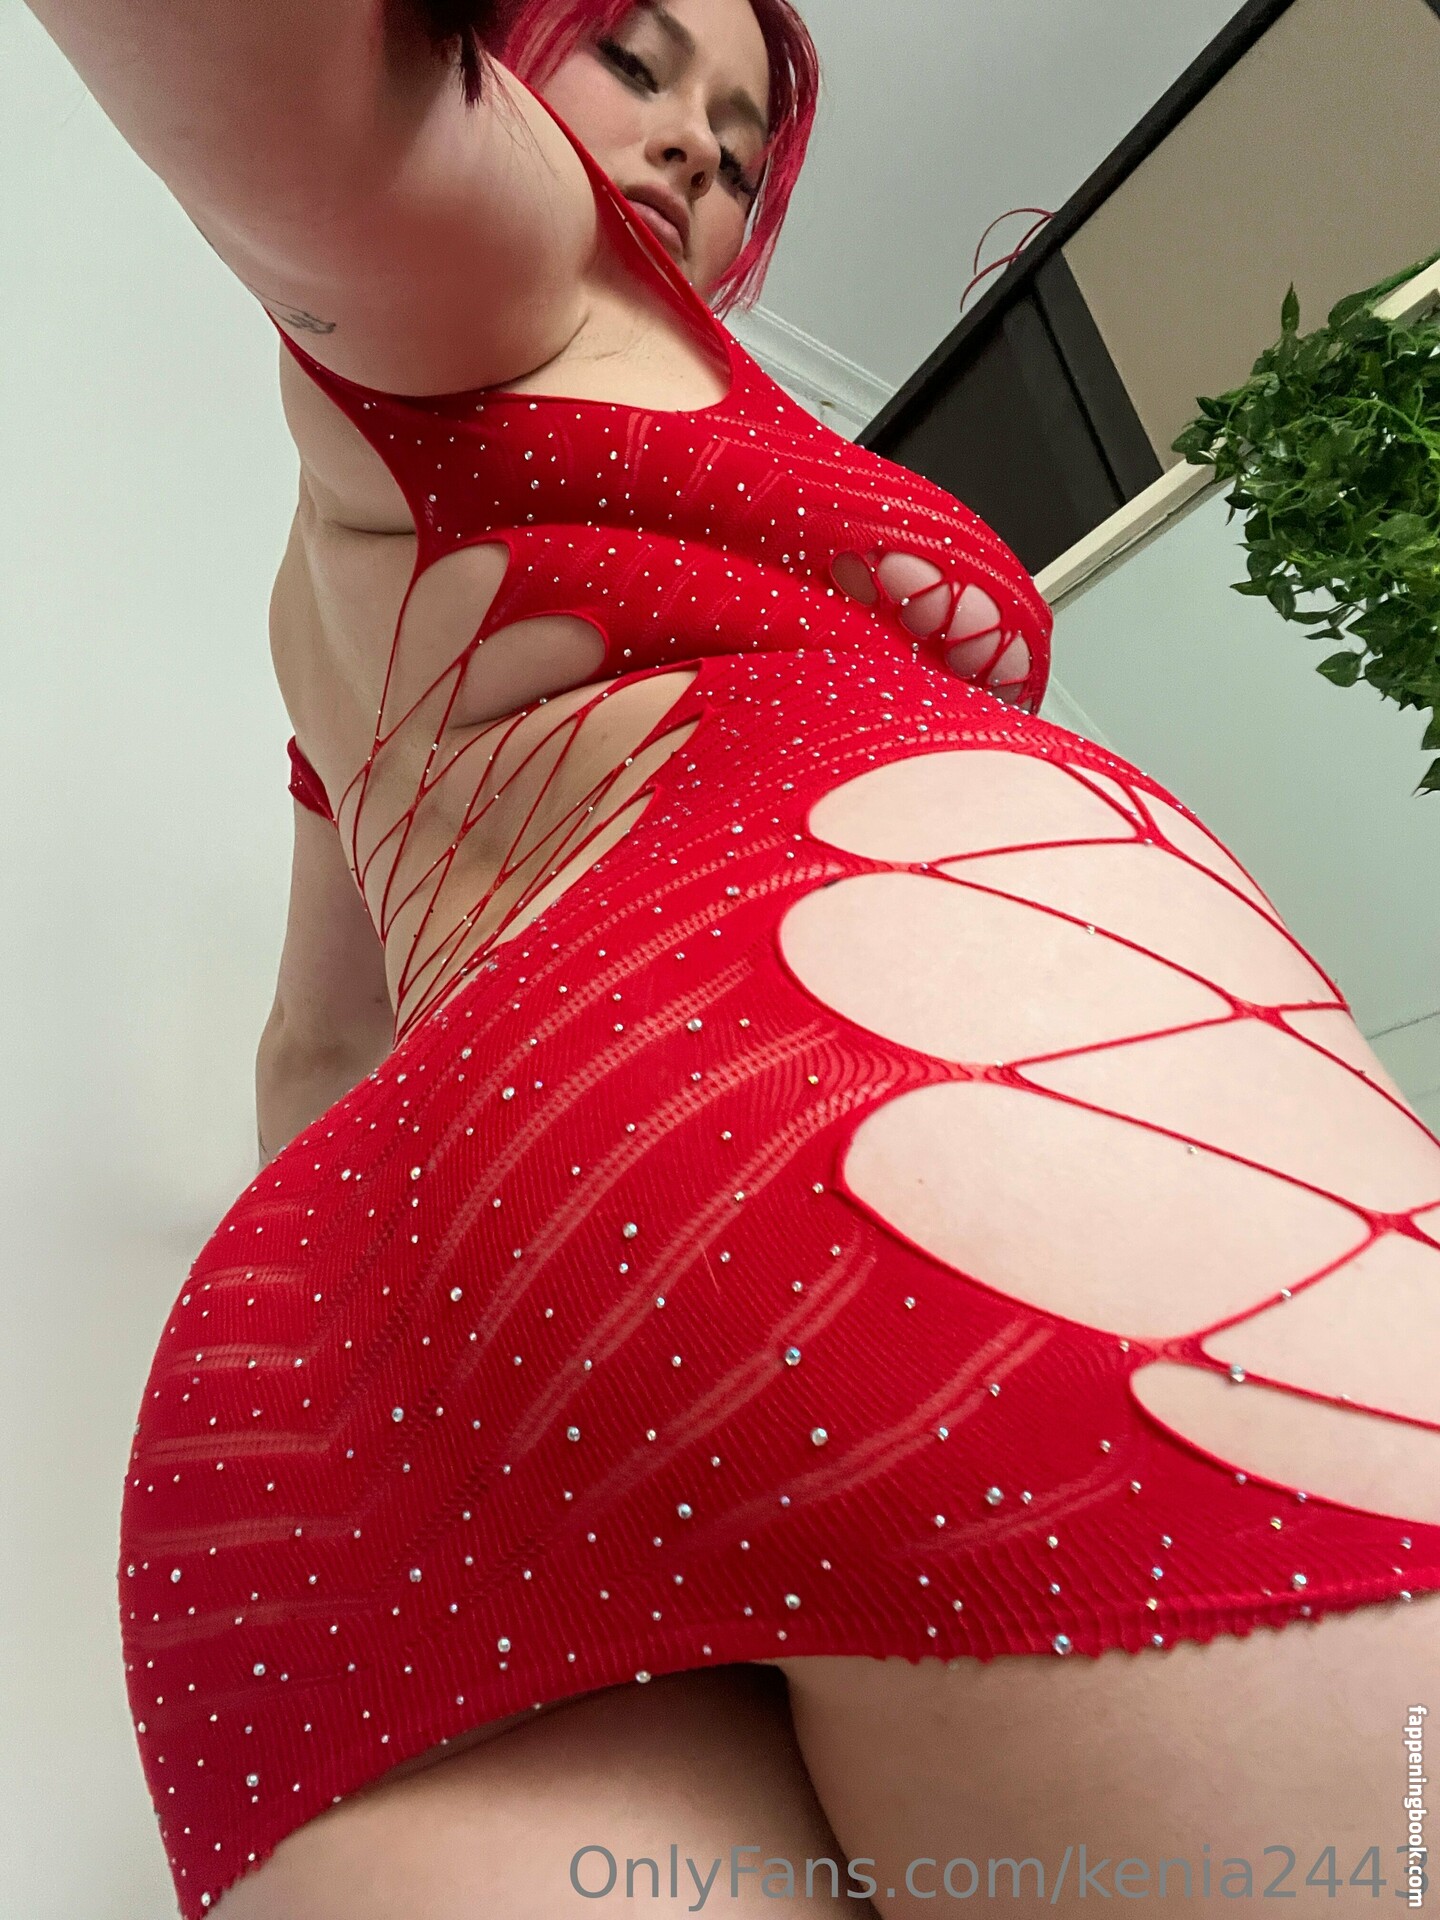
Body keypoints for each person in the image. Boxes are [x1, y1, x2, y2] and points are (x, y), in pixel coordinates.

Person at [26, 0, 1438, 1912]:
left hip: (354, 1363)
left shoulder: (347, 628)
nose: (700, 143)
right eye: (635, 57)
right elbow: (300, 94)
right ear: (496, 49)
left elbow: (315, 1058)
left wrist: (512, 1258)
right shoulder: (518, 274)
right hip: (872, 1101)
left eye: (746, 143)